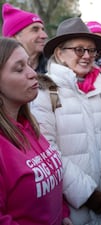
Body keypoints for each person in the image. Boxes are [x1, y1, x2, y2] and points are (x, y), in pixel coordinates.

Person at [31, 17, 101, 225]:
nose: (87, 56)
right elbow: (47, 149)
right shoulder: (45, 90)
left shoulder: (99, 90)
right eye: (79, 50)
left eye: (91, 50)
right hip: (72, 208)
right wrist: (87, 193)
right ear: (59, 53)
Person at [0, 37, 72, 225]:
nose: (33, 74)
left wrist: (63, 214)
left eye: (29, 65)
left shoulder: (30, 127)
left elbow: (53, 184)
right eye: (19, 69)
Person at [2, 3, 48, 74]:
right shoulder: (3, 72)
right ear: (14, 38)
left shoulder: (55, 66)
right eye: (35, 30)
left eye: (43, 29)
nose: (44, 35)